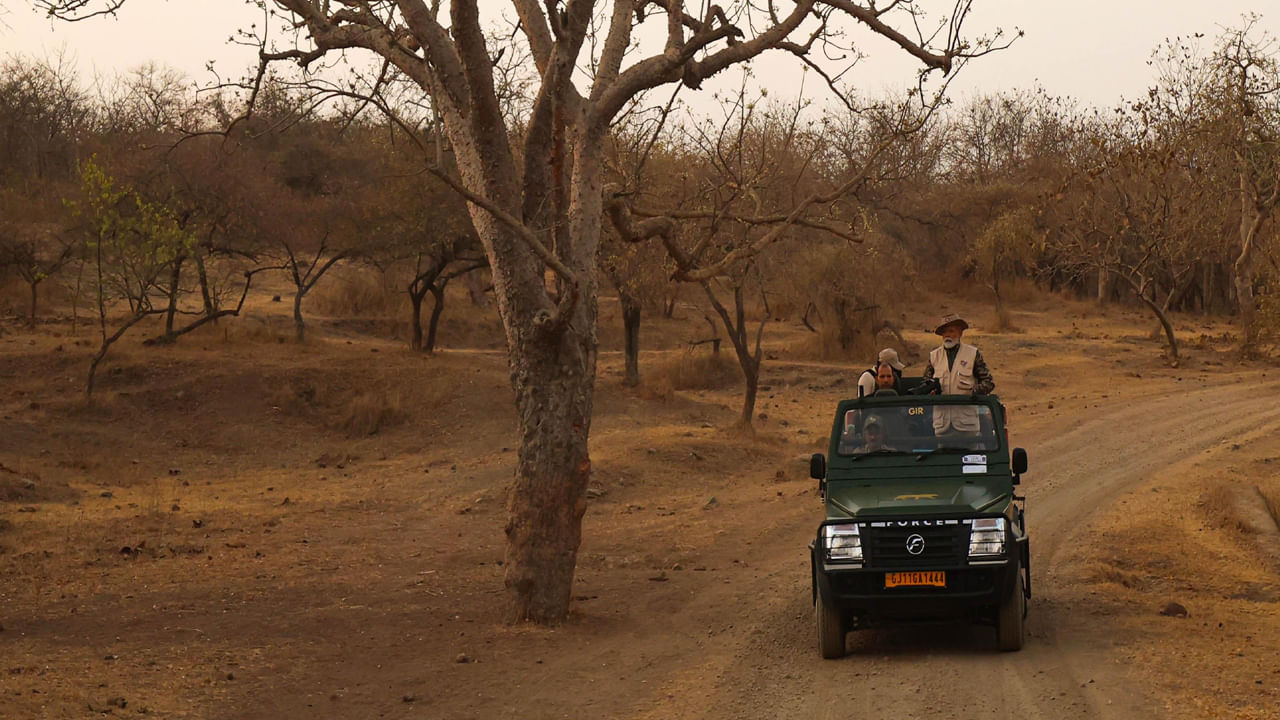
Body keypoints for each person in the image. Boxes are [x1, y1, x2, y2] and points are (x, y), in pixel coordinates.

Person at [923, 313, 994, 434]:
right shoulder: (934, 356)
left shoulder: (973, 354)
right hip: (942, 425)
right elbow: (925, 383)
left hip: (967, 425)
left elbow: (988, 382)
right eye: (945, 332)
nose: (947, 335)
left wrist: (973, 393)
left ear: (960, 333)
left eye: (951, 331)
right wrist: (930, 391)